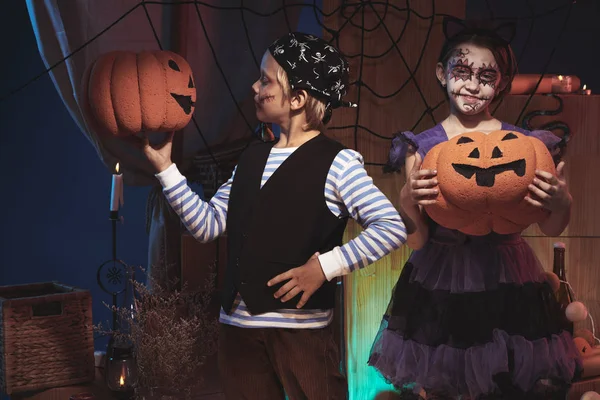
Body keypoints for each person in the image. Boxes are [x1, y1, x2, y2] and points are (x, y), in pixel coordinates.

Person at [139, 32, 407, 400]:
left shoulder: (338, 162)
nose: (254, 87)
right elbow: (207, 226)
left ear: (297, 98)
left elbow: (390, 226)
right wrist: (166, 168)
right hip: (237, 332)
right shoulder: (250, 158)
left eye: (265, 80)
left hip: (301, 334)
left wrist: (325, 267)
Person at [368, 18, 582, 400]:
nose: (472, 84)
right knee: (448, 385)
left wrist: (562, 204)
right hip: (442, 278)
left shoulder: (523, 144)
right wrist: (406, 201)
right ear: (441, 73)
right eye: (462, 71)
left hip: (507, 274)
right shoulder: (422, 147)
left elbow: (552, 227)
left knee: (507, 382)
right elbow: (416, 241)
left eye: (486, 76)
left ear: (500, 82)